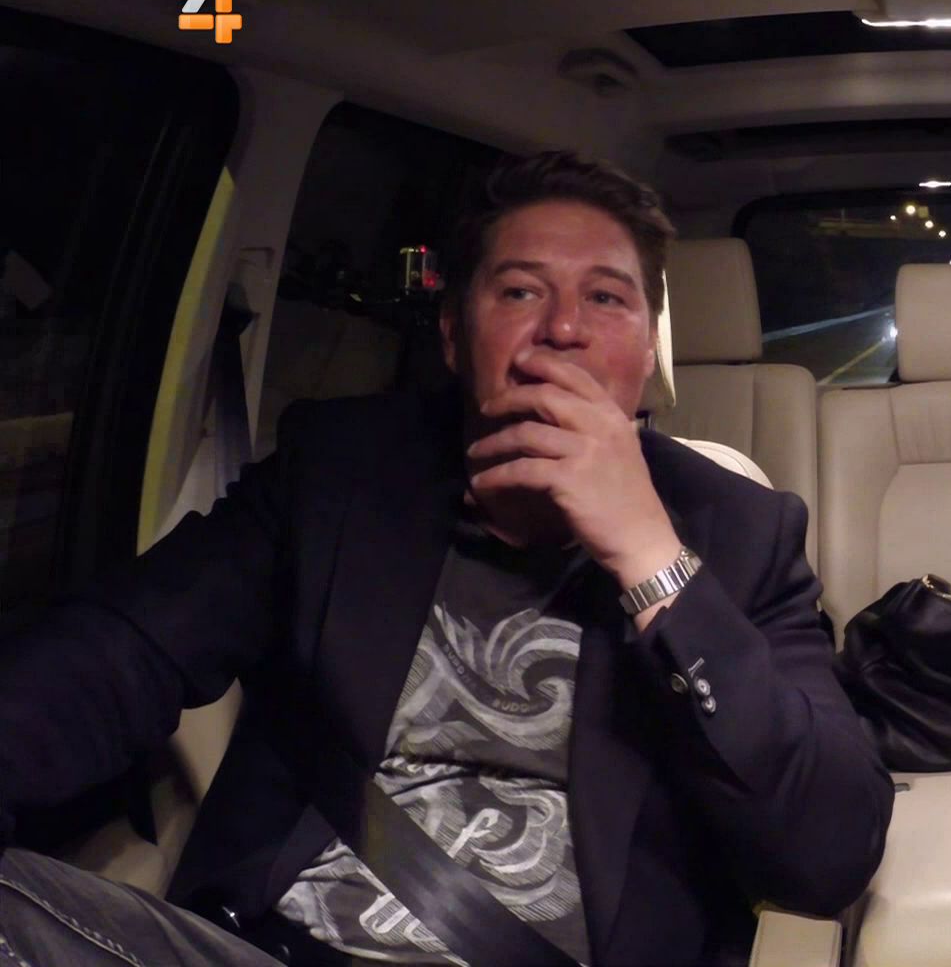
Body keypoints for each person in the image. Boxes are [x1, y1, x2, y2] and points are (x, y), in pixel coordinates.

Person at [0, 151, 893, 966]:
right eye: (520, 291)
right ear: (454, 336)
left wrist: (647, 554)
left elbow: (829, 855)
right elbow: (120, 652)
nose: (564, 329)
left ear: (646, 349)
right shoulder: (338, 472)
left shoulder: (739, 532)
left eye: (607, 298)